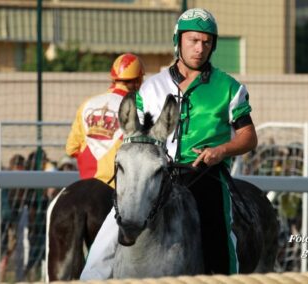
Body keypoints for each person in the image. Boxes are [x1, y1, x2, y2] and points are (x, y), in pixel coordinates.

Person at [80, 8, 257, 279]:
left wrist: (221, 151)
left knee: (218, 233)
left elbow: (248, 137)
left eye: (206, 42)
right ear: (179, 41)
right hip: (155, 175)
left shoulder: (230, 88)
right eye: (193, 41)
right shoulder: (151, 87)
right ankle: (90, 278)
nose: (200, 48)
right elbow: (134, 137)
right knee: (115, 224)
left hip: (205, 175)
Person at [66, 53, 145, 185]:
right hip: (120, 188)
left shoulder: (87, 104)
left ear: (113, 79)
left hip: (86, 182)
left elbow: (71, 148)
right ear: (138, 81)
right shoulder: (139, 109)